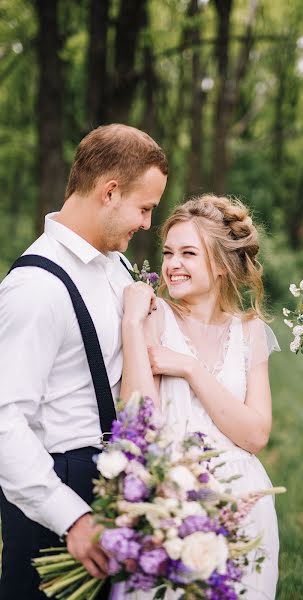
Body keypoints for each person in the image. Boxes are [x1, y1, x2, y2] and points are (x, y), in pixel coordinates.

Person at [0, 124, 168, 599]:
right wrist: (70, 516)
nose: (147, 224)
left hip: (111, 479)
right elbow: (5, 421)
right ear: (109, 192)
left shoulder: (114, 264)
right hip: (55, 493)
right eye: (145, 208)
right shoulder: (35, 289)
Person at [117, 195, 280, 600]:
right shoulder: (156, 317)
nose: (172, 264)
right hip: (169, 505)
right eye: (169, 252)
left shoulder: (250, 331)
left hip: (244, 505)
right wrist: (131, 324)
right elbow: (139, 422)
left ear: (222, 266)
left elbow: (255, 434)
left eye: (188, 253)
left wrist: (190, 368)